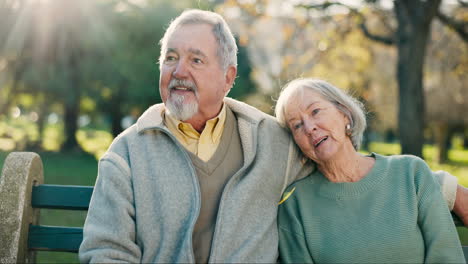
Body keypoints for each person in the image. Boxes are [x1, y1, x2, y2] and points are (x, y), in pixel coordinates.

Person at [79, 9, 465, 263]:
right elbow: (105, 249)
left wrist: (446, 189)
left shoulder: (271, 140)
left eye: (196, 60)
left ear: (228, 77)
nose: (179, 71)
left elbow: (343, 161)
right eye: (170, 58)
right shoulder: (126, 154)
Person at [275, 78, 465, 263]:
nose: (309, 128)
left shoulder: (411, 172)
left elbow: (447, 256)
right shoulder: (295, 206)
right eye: (297, 126)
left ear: (344, 114)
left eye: (315, 111)